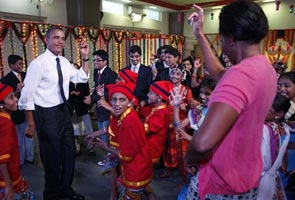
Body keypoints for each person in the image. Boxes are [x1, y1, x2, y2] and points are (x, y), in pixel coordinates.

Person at [186, 1, 277, 199]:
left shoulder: (240, 75)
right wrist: (199, 34)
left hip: (220, 184)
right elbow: (221, 74)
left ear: (231, 39)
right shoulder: (265, 69)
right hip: (247, 178)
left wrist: (189, 159)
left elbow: (202, 143)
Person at [18, 26, 89, 200]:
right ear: (46, 40)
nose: (60, 41)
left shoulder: (64, 62)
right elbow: (27, 96)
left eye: (62, 38)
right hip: (46, 114)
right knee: (52, 158)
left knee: (69, 153)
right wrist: (31, 123)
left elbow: (81, 77)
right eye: (56, 37)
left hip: (63, 111)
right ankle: (51, 194)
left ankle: (66, 189)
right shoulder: (37, 64)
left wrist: (85, 57)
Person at [87, 82, 153, 199]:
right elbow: (111, 128)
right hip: (134, 166)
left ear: (130, 102)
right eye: (114, 100)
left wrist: (106, 148)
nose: (117, 104)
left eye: (122, 100)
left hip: (136, 168)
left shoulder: (128, 121)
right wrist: (94, 134)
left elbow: (127, 155)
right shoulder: (125, 115)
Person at [0, 83, 34, 200]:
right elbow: (2, 158)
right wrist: (9, 185)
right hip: (8, 179)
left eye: (14, 95)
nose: (15, 99)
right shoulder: (6, 124)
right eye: (11, 97)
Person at [1, 55, 34, 166]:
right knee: (19, 138)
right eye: (19, 64)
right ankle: (20, 160)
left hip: (29, 110)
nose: (21, 66)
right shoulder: (6, 79)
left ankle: (30, 157)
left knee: (30, 135)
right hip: (16, 113)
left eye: (22, 63)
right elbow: (7, 99)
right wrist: (17, 90)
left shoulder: (27, 75)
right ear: (11, 65)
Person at [90, 49, 118, 166]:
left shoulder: (111, 74)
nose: (95, 62)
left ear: (105, 61)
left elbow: (111, 93)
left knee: (107, 134)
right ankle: (108, 158)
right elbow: (97, 89)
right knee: (102, 133)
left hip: (108, 108)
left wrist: (94, 98)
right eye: (94, 60)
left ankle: (110, 159)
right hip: (100, 108)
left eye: (98, 60)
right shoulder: (96, 72)